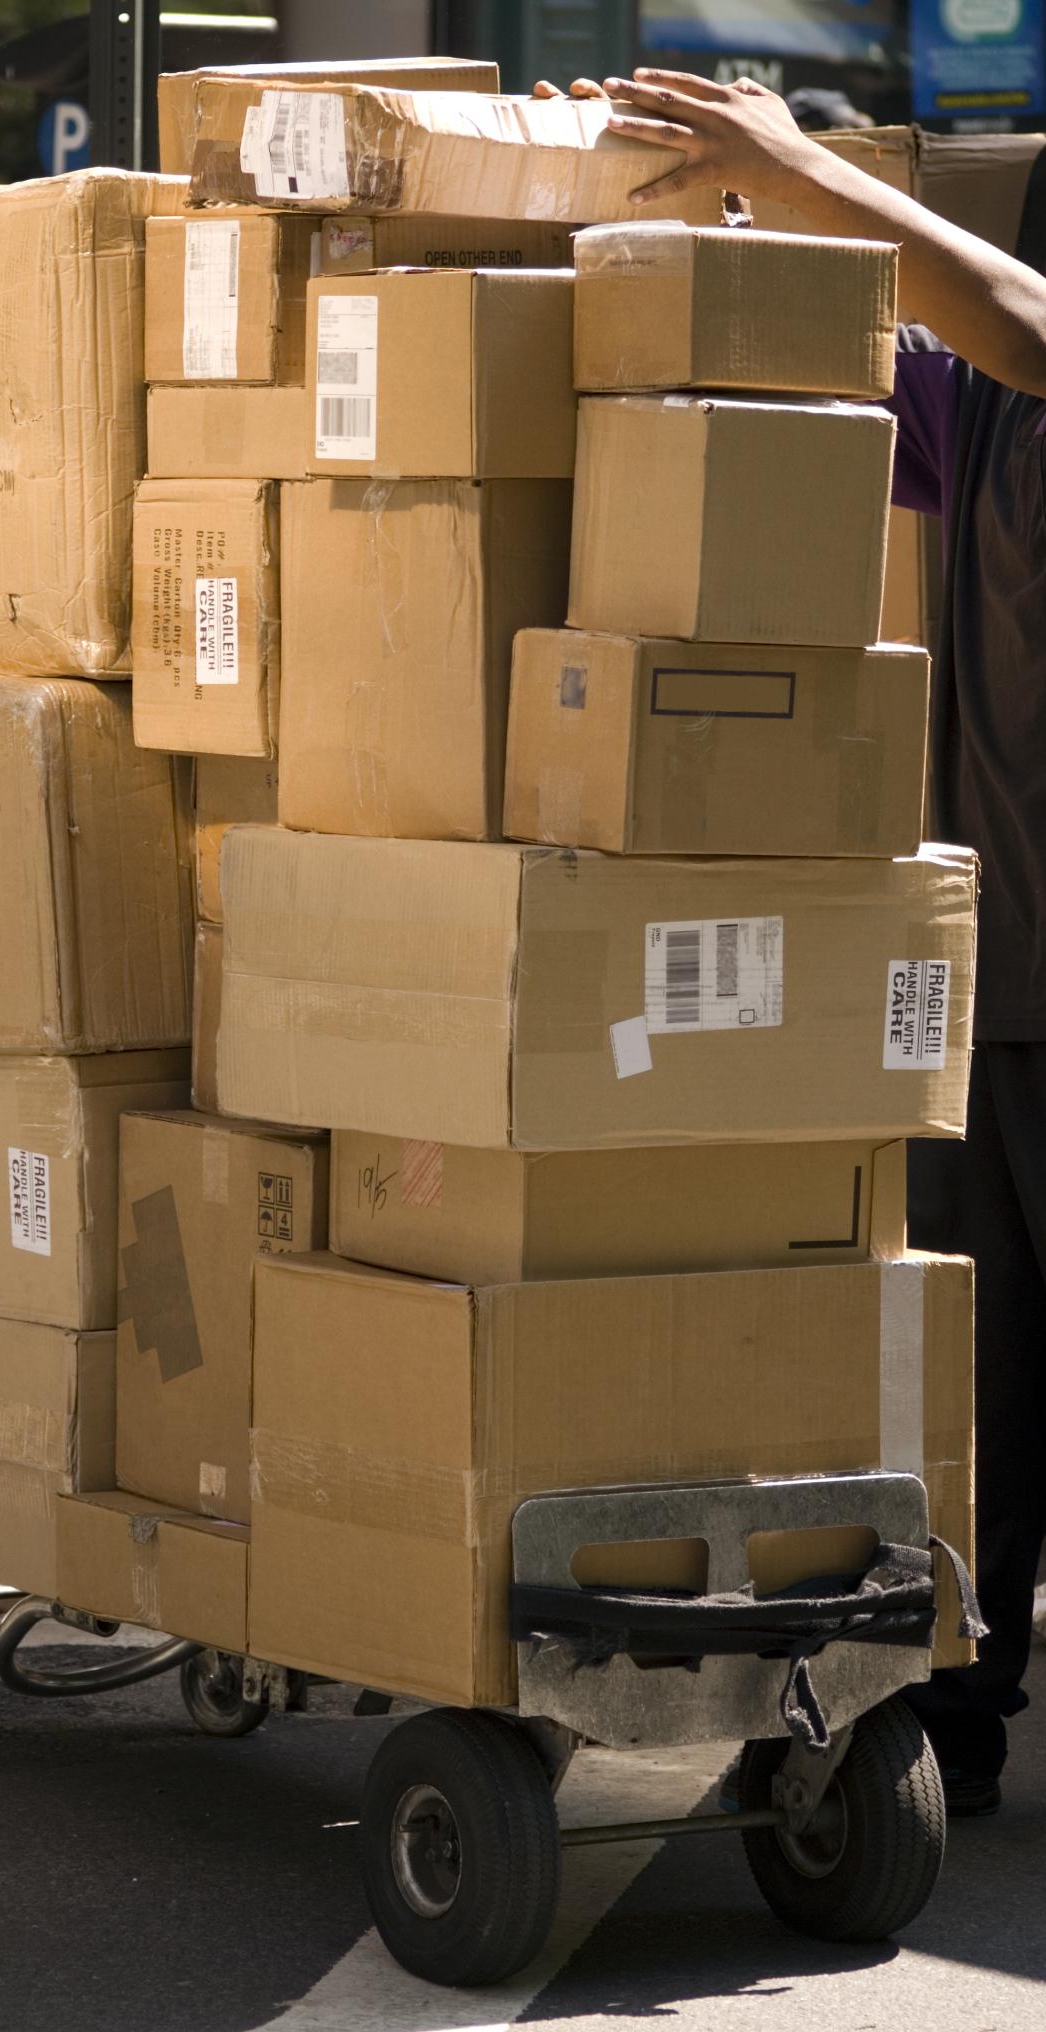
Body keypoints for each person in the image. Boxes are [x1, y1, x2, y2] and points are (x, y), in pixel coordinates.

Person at [536, 70, 1046, 1815]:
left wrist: (808, 162)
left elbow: (1010, 309)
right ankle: (965, 1708)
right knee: (990, 1383)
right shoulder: (989, 411)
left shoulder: (1034, 343)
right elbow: (826, 378)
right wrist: (675, 207)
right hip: (1002, 979)